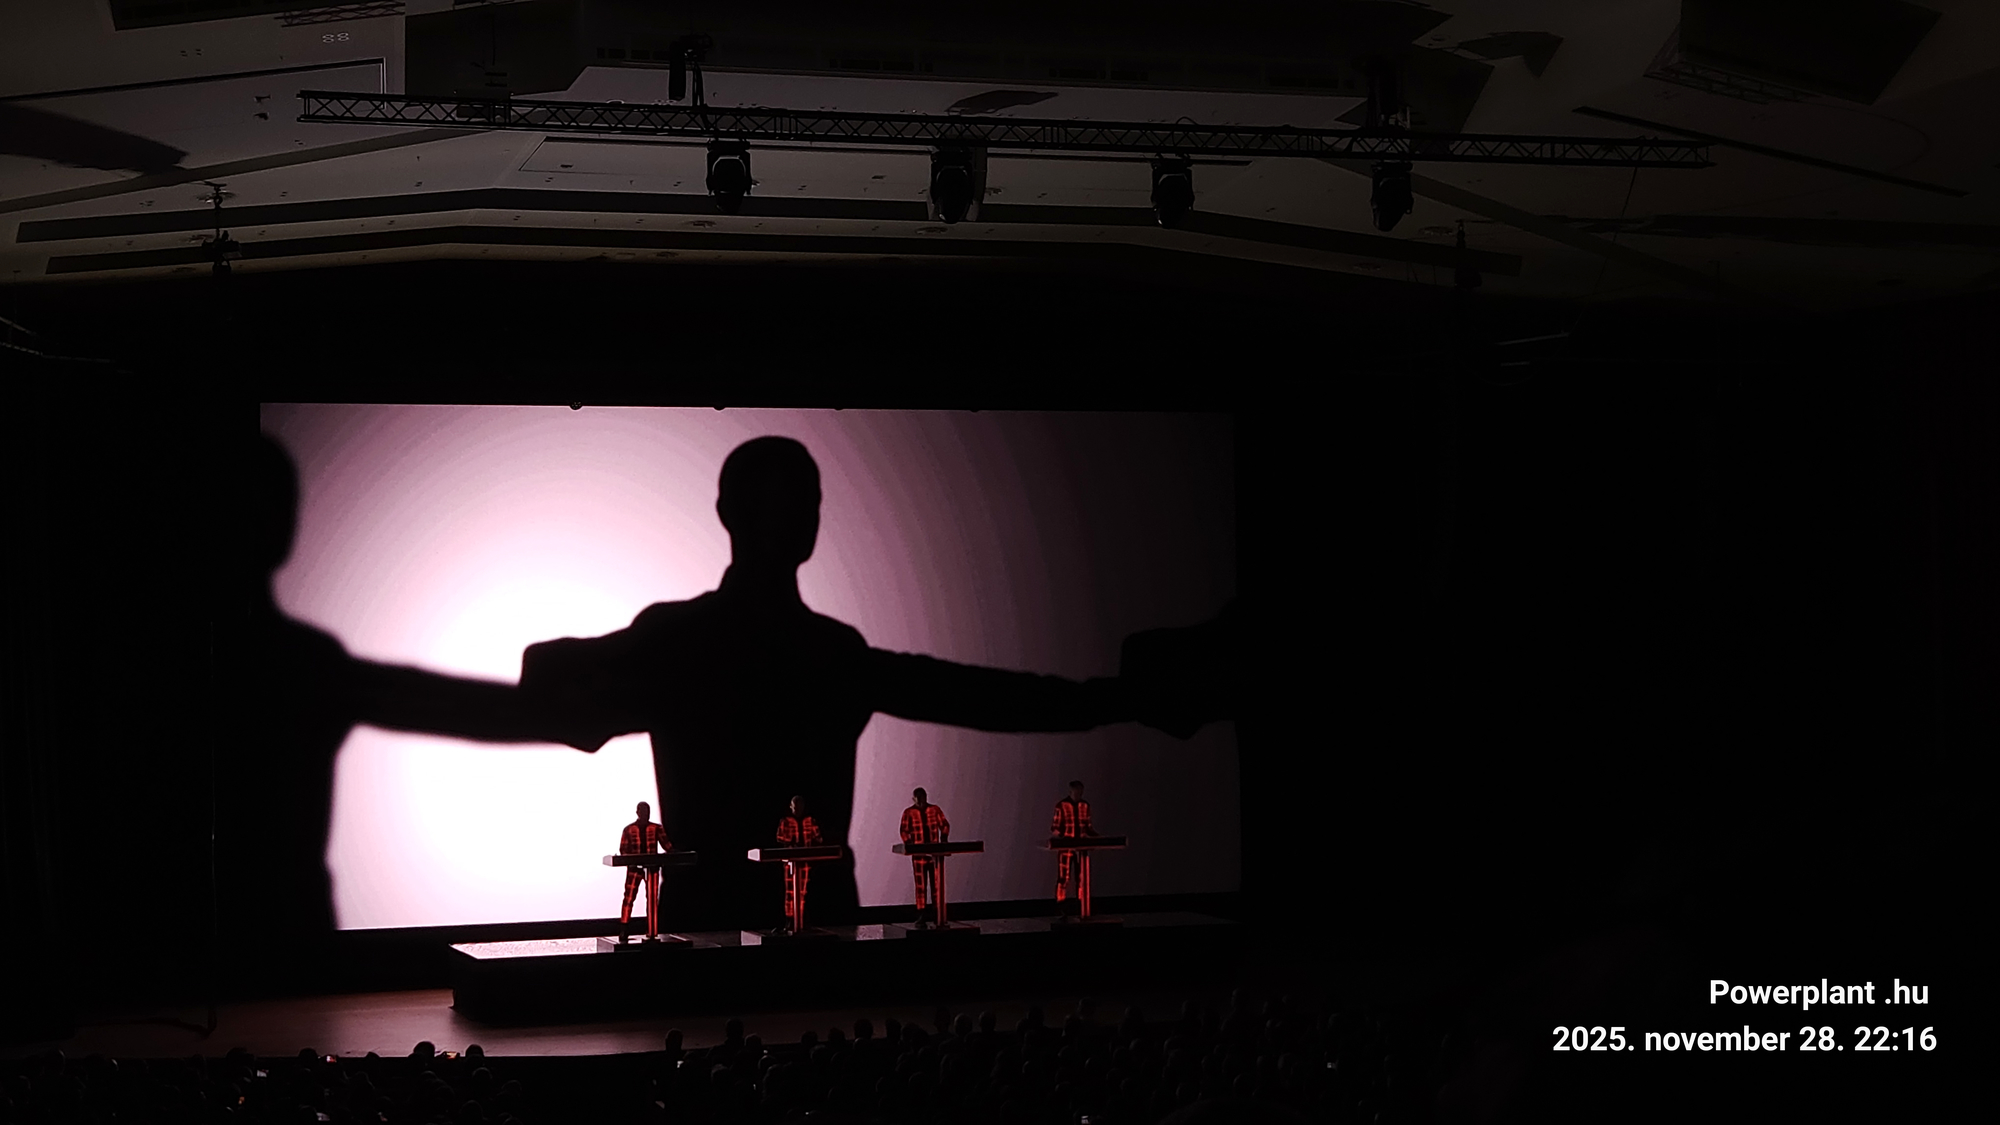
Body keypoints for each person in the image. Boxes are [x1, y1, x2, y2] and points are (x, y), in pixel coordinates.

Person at [519, 436, 1168, 929]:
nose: (795, 518)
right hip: (781, 923)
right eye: (786, 503)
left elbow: (970, 695)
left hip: (746, 919)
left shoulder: (696, 641)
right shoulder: (809, 652)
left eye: (802, 503)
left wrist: (1112, 699)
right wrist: (1115, 699)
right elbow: (968, 694)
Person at [230, 433, 590, 969]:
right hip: (290, 940)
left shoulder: (305, 662)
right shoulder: (301, 662)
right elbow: (444, 705)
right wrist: (584, 710)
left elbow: (438, 703)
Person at [618, 800, 672, 942]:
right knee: (629, 898)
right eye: (642, 812)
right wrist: (630, 859)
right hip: (634, 868)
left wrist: (674, 853)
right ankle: (624, 929)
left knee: (652, 900)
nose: (645, 814)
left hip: (652, 868)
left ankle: (651, 930)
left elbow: (667, 846)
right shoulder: (628, 829)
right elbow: (623, 849)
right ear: (637, 812)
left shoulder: (656, 828)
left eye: (647, 812)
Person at [899, 787, 950, 926]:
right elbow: (904, 830)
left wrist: (943, 839)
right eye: (919, 797)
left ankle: (937, 914)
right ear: (914, 799)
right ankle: (922, 915)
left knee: (936, 885)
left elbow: (944, 825)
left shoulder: (934, 810)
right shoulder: (909, 813)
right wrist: (909, 844)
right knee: (921, 886)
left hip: (934, 855)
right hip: (919, 856)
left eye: (923, 796)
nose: (922, 800)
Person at [774, 794, 823, 927]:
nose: (798, 809)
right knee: (790, 891)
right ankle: (790, 919)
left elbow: (818, 838)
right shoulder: (786, 821)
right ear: (791, 807)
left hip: (805, 861)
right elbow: (780, 838)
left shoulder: (810, 821)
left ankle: (801, 918)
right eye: (796, 807)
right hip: (790, 862)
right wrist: (791, 845)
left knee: (803, 890)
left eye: (800, 806)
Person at [1051, 779, 1098, 909]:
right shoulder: (1061, 805)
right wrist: (1062, 837)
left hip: (1081, 848)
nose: (1078, 794)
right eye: (1076, 792)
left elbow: (1088, 827)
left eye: (1080, 792)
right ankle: (1061, 905)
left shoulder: (1085, 806)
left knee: (1082, 877)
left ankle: (1081, 903)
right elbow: (1055, 827)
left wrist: (1096, 838)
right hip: (1066, 847)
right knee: (1063, 877)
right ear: (1070, 791)